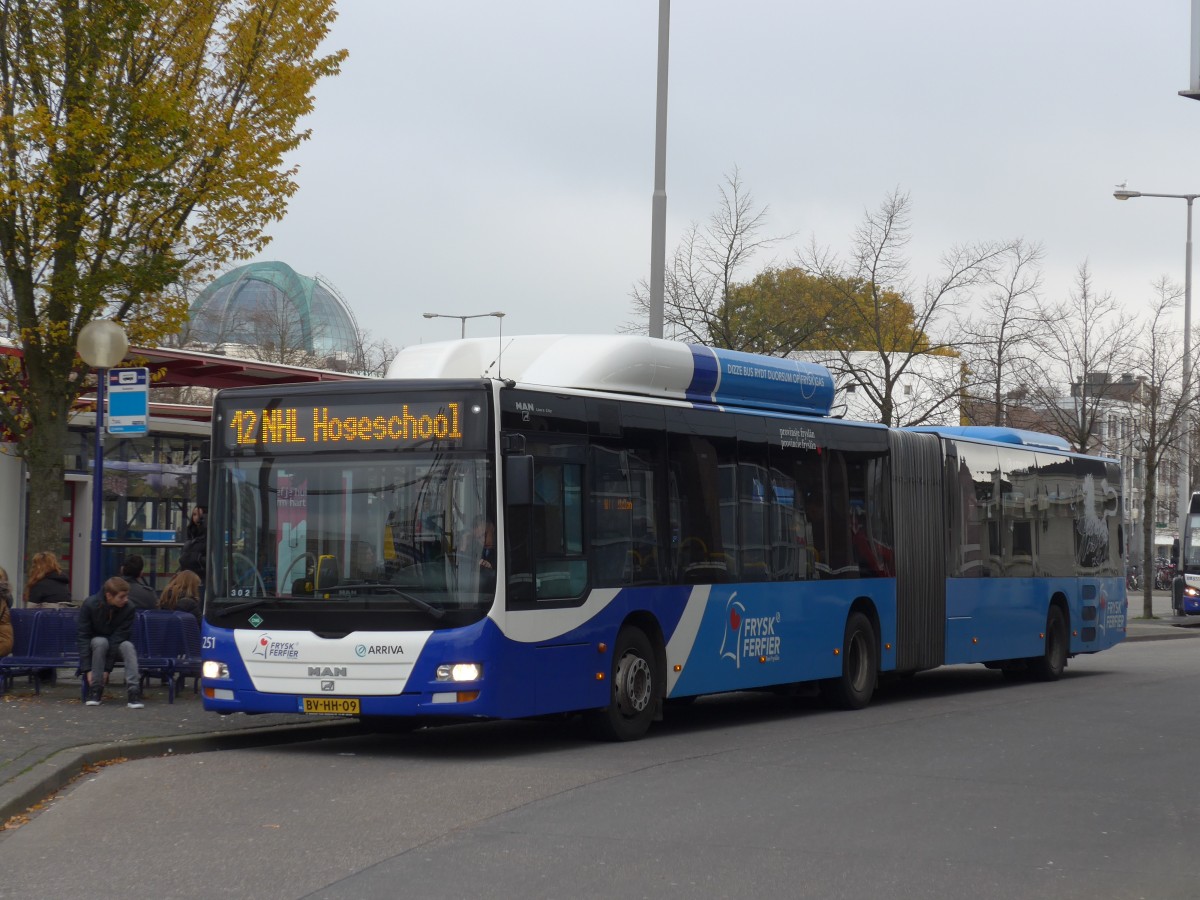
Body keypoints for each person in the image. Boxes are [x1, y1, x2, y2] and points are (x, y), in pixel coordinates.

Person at [76, 576, 143, 708]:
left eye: (126, 596)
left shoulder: (129, 608)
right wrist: (87, 669)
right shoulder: (90, 604)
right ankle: (96, 689)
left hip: (116, 646)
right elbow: (83, 636)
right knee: (100, 642)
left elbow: (118, 637)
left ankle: (134, 691)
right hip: (95, 648)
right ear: (109, 596)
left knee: (128, 646)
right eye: (122, 597)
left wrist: (107, 669)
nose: (126, 600)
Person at [179, 507, 207, 578]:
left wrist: (200, 560)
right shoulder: (190, 531)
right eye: (194, 514)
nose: (196, 517)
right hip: (188, 569)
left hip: (201, 570)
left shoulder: (207, 532)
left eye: (199, 515)